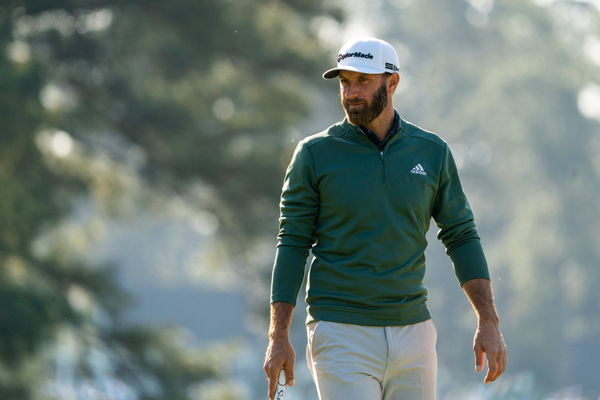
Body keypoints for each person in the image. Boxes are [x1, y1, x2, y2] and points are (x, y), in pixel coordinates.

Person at [263, 37, 506, 400]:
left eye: (363, 80)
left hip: (414, 331)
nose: (351, 92)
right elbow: (293, 243)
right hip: (340, 330)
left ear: (392, 83)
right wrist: (278, 336)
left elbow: (461, 234)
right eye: (345, 81)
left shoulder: (432, 151)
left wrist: (488, 319)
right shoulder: (314, 154)